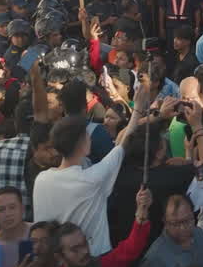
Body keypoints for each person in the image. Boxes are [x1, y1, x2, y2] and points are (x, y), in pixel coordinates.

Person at [34, 82, 147, 257]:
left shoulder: (40, 179)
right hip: (93, 261)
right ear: (83, 145)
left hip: (55, 264)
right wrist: (138, 109)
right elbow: (123, 145)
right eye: (87, 137)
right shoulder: (93, 178)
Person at [141, 194, 203, 267]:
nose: (182, 228)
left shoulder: (199, 234)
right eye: (175, 224)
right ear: (165, 222)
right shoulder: (154, 256)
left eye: (187, 221)